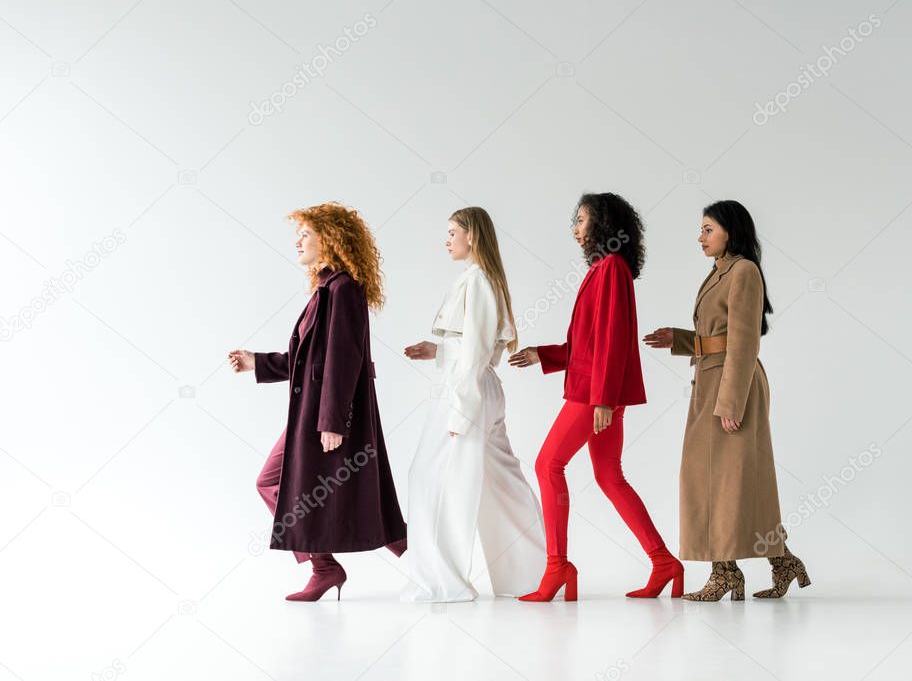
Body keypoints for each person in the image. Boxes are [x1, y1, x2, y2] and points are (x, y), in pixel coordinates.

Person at [509, 192, 683, 602]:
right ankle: (663, 562)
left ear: (603, 224)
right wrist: (544, 354)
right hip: (598, 390)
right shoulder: (606, 269)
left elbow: (612, 340)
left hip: (594, 394)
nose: (575, 229)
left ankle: (558, 567)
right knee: (609, 476)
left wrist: (604, 399)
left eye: (582, 220)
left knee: (547, 464)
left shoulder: (611, 269)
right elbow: (588, 343)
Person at [228, 201, 407, 602]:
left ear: (328, 239)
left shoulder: (344, 290)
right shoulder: (326, 289)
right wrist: (256, 362)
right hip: (312, 412)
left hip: (324, 415)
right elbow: (308, 360)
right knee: (291, 484)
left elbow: (345, 360)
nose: (298, 241)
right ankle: (327, 567)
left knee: (291, 484)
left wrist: (333, 420)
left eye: (305, 234)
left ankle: (408, 556)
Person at [644, 199, 810, 601]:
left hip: (731, 384)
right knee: (719, 479)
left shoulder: (744, 271)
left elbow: (744, 341)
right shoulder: (720, 272)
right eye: (701, 229)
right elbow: (717, 334)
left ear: (730, 232)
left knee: (729, 480)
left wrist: (731, 402)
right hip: (709, 378)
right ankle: (776, 562)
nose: (700, 237)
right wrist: (681, 340)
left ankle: (728, 573)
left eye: (708, 229)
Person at [401, 207, 545, 602]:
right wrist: (438, 350)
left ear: (472, 236)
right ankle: (538, 573)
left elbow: (479, 351)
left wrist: (461, 409)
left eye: (452, 233)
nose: (446, 240)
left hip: (469, 392)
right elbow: (473, 346)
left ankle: (442, 582)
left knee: (435, 479)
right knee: (502, 483)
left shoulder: (478, 281)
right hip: (479, 388)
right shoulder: (480, 280)